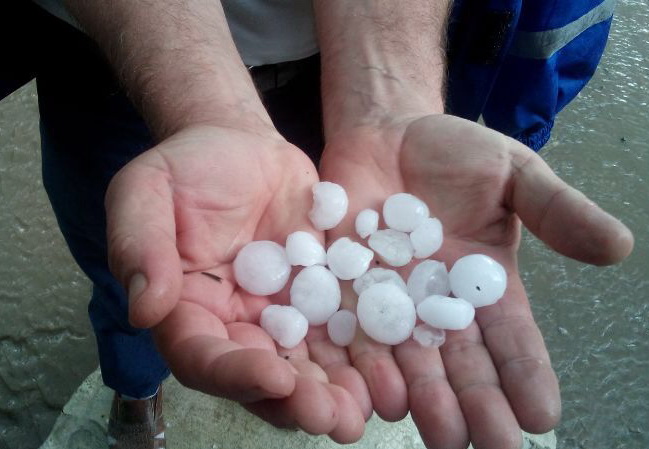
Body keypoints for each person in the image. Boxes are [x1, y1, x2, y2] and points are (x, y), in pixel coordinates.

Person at [1, 1, 633, 449]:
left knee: (179, 271)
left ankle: (150, 381)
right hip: (109, 46)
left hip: (350, 58)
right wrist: (202, 104)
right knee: (145, 272)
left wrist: (390, 97)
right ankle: (135, 390)